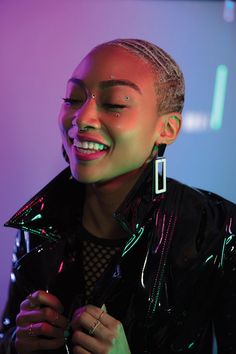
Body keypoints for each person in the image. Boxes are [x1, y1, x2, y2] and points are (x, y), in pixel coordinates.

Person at [0, 38, 236, 354]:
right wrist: (18, 344)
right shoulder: (41, 221)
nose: (81, 118)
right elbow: (7, 333)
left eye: (114, 104)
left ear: (167, 128)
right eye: (72, 98)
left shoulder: (220, 232)